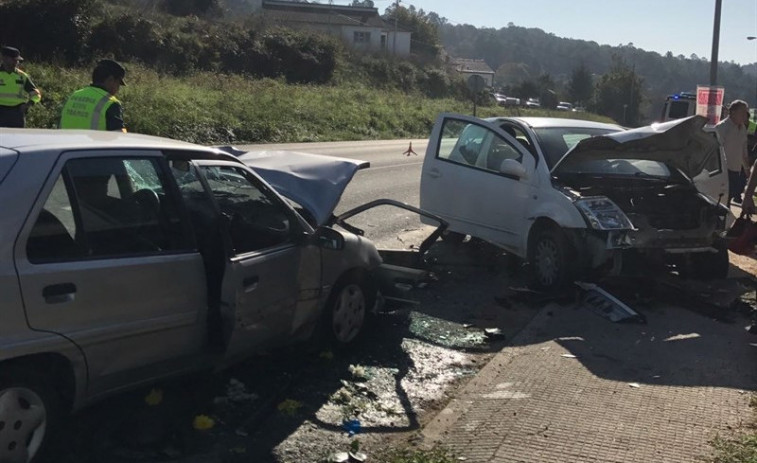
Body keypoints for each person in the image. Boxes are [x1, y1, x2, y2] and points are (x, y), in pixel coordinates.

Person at [59, 59, 127, 132]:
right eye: (118, 83)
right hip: (94, 143)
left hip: (66, 143)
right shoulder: (111, 103)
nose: (118, 88)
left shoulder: (73, 96)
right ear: (111, 80)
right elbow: (119, 137)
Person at [715, 100, 750, 207]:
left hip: (737, 170)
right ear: (733, 112)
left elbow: (743, 150)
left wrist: (747, 169)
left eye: (746, 112)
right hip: (724, 171)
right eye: (742, 112)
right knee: (723, 200)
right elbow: (717, 151)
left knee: (731, 197)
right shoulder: (722, 127)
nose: (745, 115)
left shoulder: (742, 127)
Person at [0, 46, 42, 128]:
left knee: (17, 138)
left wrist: (29, 104)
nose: (16, 62)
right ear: (4, 58)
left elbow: (36, 94)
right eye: (13, 59)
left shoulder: (22, 76)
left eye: (18, 60)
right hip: (1, 111)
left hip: (17, 113)